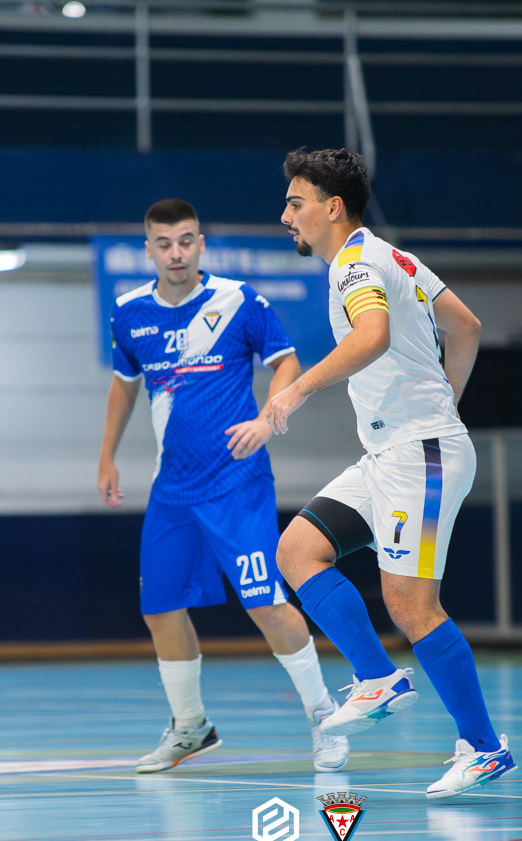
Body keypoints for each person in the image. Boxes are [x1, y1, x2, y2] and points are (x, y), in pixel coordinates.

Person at [266, 148, 516, 799]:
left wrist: (297, 390)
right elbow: (466, 325)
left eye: (295, 203)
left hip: (418, 452)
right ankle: (377, 678)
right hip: (391, 453)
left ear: (332, 208)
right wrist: (446, 401)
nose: (286, 216)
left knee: (410, 604)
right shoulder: (392, 256)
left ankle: (484, 748)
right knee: (297, 550)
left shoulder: (355, 264)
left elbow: (372, 335)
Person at [99, 198, 348, 774]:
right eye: (165, 243)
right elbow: (123, 384)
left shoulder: (240, 301)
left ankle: (324, 718)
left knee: (266, 604)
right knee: (161, 608)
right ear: (148, 250)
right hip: (171, 492)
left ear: (201, 244)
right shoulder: (129, 313)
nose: (177, 253)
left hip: (238, 486)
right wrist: (106, 455)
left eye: (186, 241)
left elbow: (287, 363)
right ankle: (191, 727)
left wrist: (267, 419)